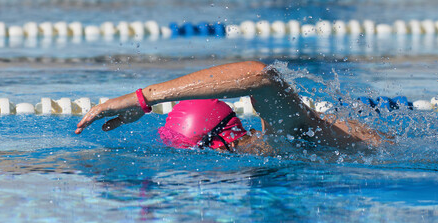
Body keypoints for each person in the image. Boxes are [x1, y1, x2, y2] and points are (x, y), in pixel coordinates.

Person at [75, 61, 388, 156]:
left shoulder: (284, 134)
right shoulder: (279, 139)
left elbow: (258, 75)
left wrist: (142, 99)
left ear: (218, 142)